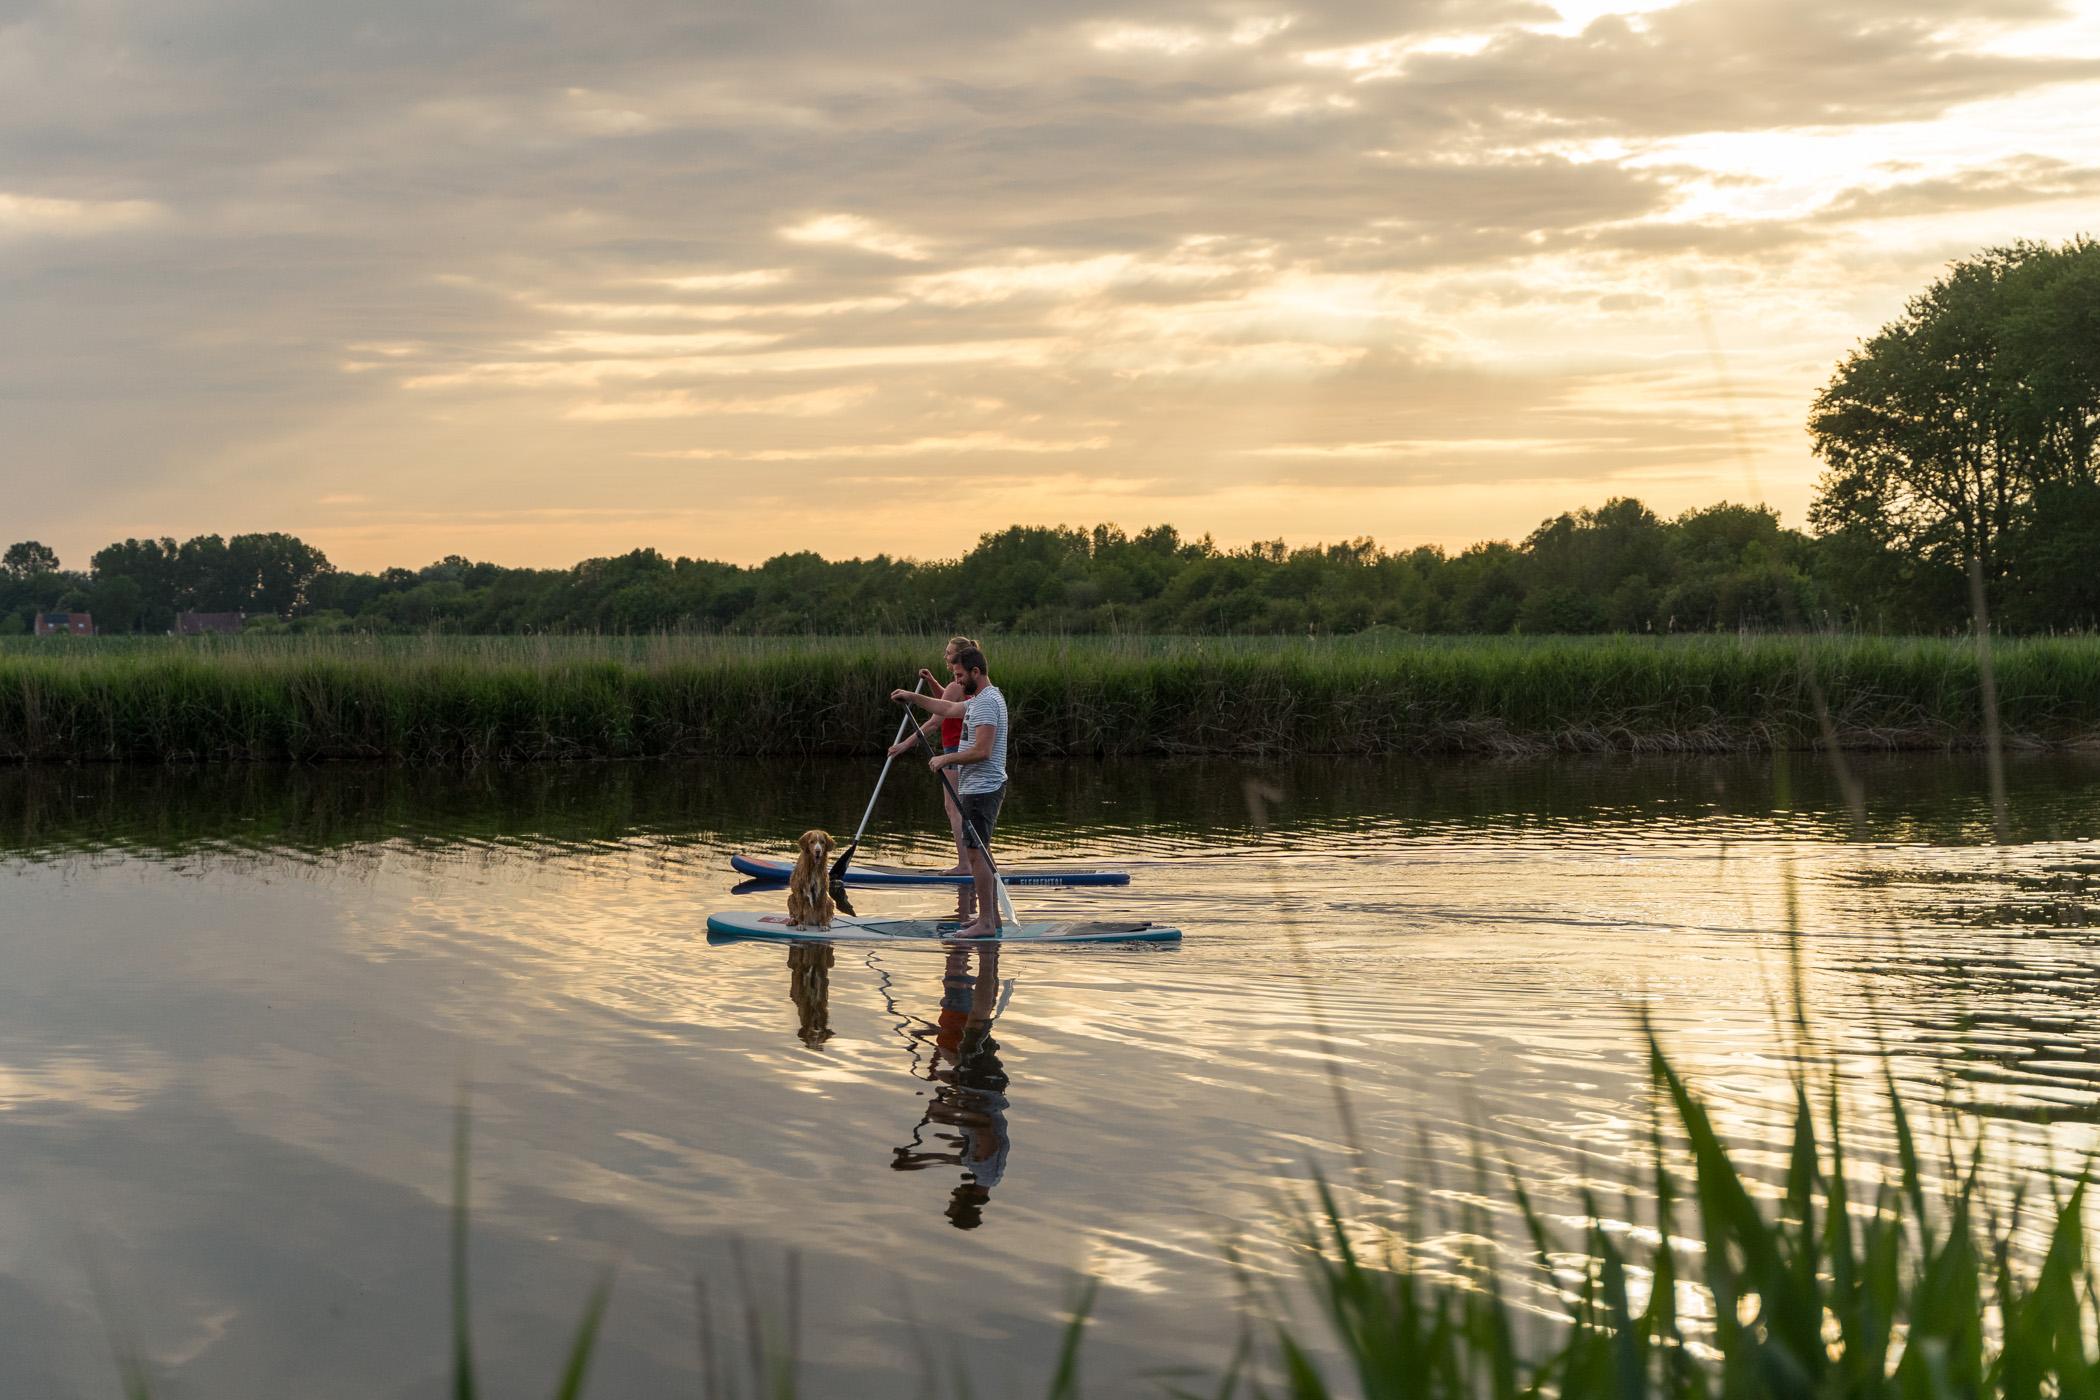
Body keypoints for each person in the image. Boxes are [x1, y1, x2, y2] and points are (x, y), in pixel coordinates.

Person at [891, 645, 1007, 937]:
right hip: (977, 787)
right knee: (980, 851)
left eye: (959, 675)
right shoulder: (981, 698)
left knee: (976, 853)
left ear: (975, 672)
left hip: (983, 788)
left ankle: (986, 923)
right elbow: (949, 708)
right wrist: (913, 697)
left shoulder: (987, 702)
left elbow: (983, 750)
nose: (956, 681)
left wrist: (946, 758)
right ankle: (990, 918)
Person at [889, 636, 976, 875]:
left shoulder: (955, 686)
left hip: (954, 750)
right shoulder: (964, 685)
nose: (945, 657)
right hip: (965, 750)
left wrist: (904, 745)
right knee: (962, 806)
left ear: (959, 658)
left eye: (948, 653)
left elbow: (935, 722)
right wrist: (932, 682)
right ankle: (970, 862)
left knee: (953, 807)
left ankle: (965, 864)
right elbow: (947, 701)